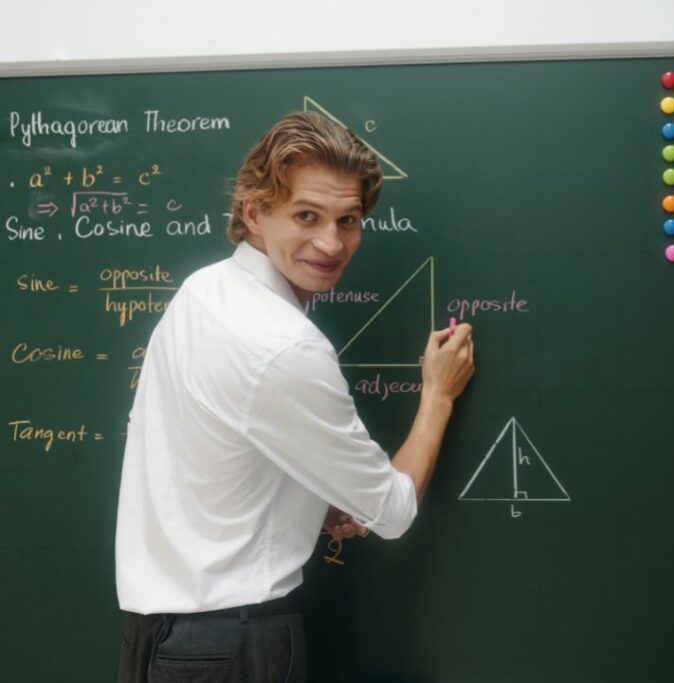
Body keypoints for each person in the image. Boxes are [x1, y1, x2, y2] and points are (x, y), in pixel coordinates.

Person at [115, 111, 475, 682]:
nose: (331, 243)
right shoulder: (283, 346)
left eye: (348, 220)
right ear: (253, 213)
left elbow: (212, 451)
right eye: (306, 215)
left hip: (161, 639)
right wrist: (439, 394)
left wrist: (309, 496)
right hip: (233, 648)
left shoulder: (202, 291)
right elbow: (392, 511)